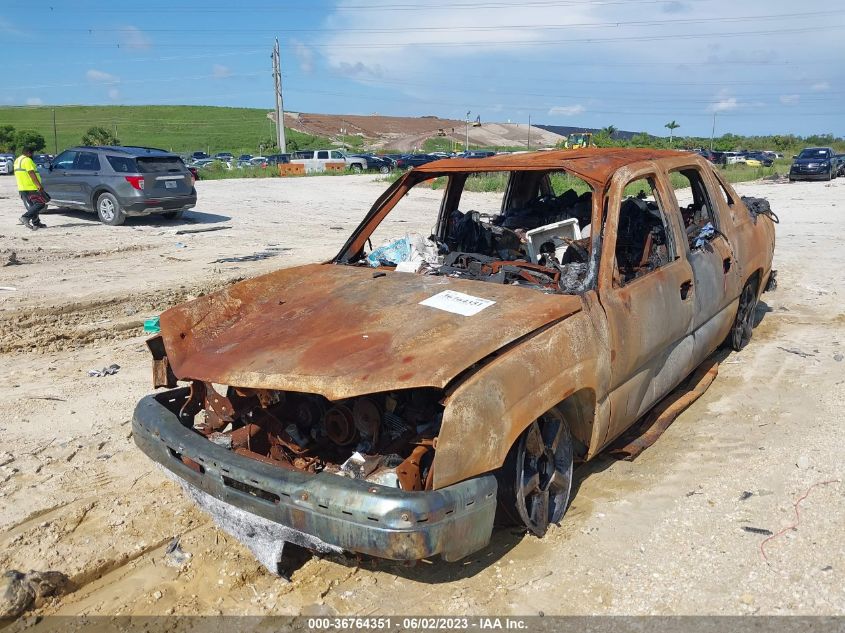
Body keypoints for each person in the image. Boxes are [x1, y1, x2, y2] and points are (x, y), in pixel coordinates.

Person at [14, 145, 50, 230]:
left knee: (32, 206)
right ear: (29, 153)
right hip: (31, 187)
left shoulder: (17, 160)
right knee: (40, 203)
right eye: (32, 153)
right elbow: (31, 173)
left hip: (22, 188)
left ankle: (36, 223)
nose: (33, 155)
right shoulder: (27, 160)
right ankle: (25, 217)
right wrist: (39, 185)